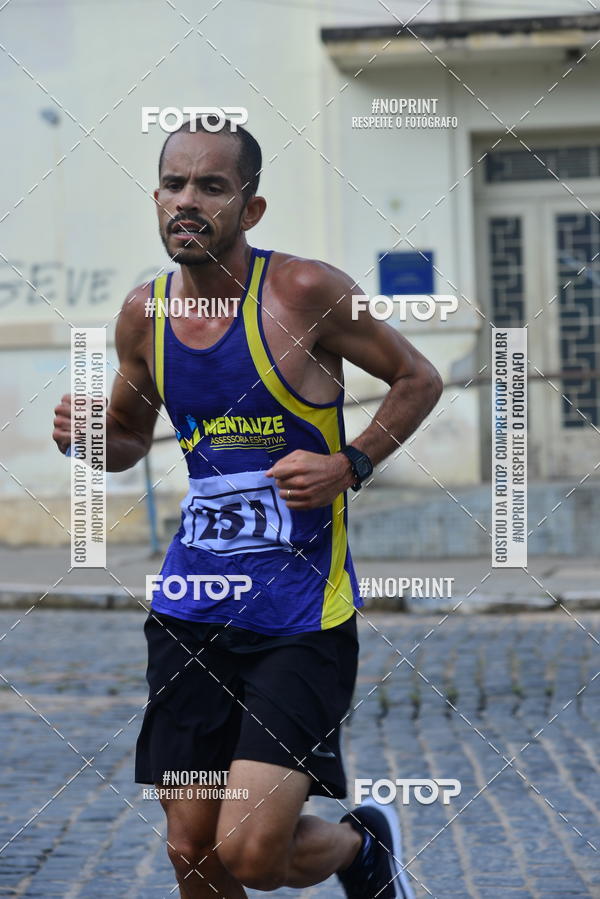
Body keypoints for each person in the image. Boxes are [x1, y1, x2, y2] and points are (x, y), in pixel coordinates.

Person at [53, 116, 442, 898]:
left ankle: (361, 847)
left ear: (250, 208)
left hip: (300, 616)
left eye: (211, 185)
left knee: (252, 853)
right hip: (191, 608)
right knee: (191, 849)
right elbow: (132, 437)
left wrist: (350, 461)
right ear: (156, 197)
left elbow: (418, 378)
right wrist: (91, 441)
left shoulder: (306, 292)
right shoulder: (144, 314)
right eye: (172, 184)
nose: (186, 201)